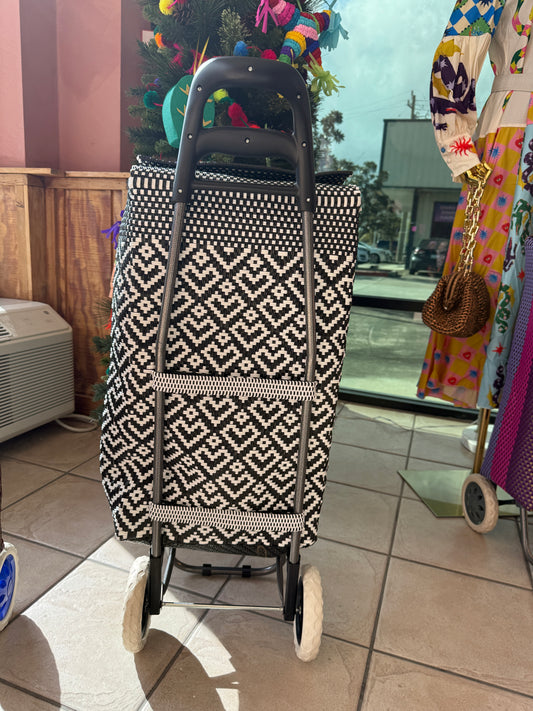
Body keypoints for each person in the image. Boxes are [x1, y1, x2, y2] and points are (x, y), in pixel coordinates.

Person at [417, 0, 533, 409]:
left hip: (512, 135)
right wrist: (459, 149)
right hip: (511, 138)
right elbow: (454, 57)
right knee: (493, 280)